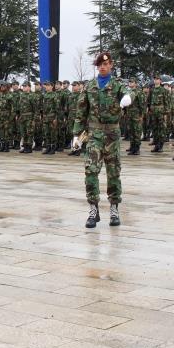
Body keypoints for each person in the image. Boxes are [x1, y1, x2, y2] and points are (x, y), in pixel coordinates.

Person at [72, 52, 132, 229]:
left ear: (111, 65)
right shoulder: (90, 86)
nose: (102, 67)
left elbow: (129, 93)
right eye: (100, 65)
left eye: (105, 64)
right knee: (91, 171)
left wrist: (127, 99)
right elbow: (81, 112)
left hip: (112, 135)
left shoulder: (118, 85)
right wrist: (77, 135)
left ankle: (114, 209)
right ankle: (93, 209)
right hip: (94, 135)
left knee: (113, 173)